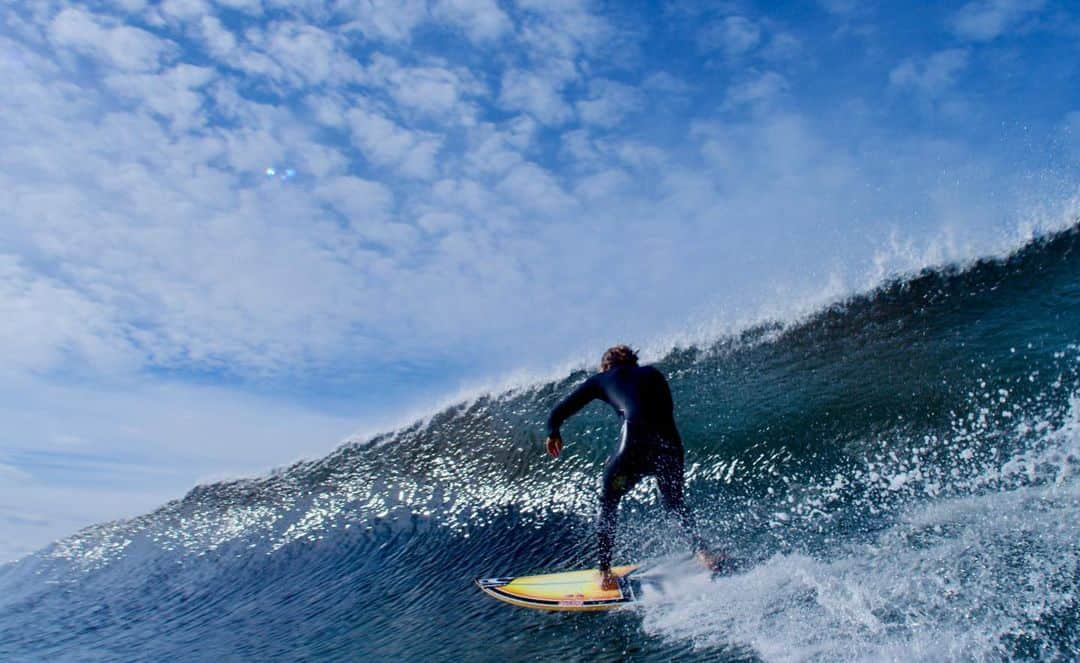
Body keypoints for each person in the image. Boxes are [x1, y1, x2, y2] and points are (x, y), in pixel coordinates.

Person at [545, 345, 722, 588]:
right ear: (633, 362)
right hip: (669, 446)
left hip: (634, 446)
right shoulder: (653, 374)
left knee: (609, 503)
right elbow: (661, 412)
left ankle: (605, 572)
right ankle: (704, 553)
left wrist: (553, 432)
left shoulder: (601, 379)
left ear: (606, 365)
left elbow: (559, 411)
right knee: (674, 502)